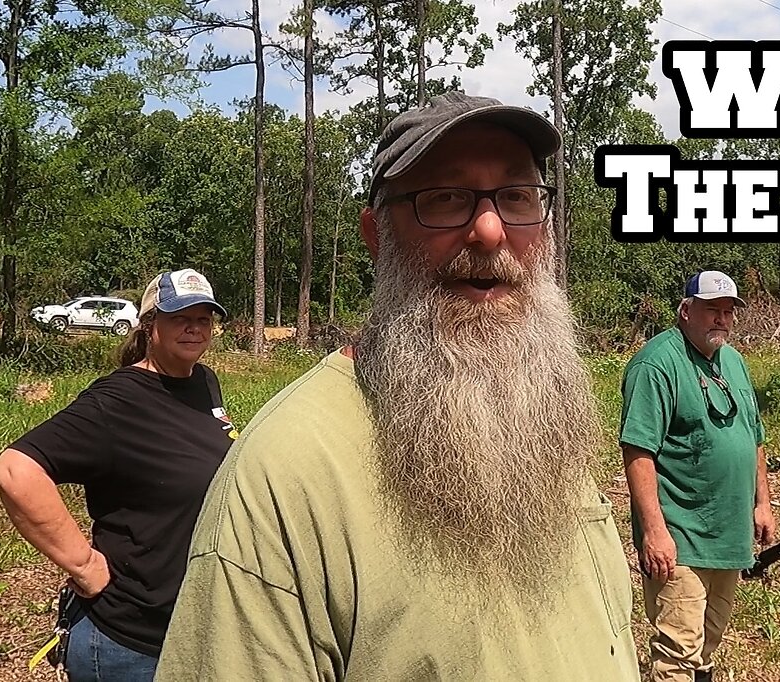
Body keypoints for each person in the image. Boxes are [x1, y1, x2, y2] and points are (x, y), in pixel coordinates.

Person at [154, 92, 641, 681]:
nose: (489, 230)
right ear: (377, 236)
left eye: (516, 197)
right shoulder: (285, 480)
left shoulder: (539, 420)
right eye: (445, 199)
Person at [0, 269, 234, 681]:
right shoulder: (117, 401)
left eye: (203, 318)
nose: (194, 328)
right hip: (129, 643)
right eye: (179, 317)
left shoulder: (203, 382)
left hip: (186, 629)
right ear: (149, 325)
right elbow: (16, 470)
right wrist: (85, 566)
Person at [618, 270, 779, 682]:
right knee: (678, 650)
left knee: (709, 640)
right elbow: (638, 449)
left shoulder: (734, 361)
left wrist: (762, 504)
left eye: (727, 312)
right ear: (686, 310)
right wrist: (655, 532)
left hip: (729, 531)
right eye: (712, 310)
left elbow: (754, 437)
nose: (721, 319)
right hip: (681, 534)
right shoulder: (657, 364)